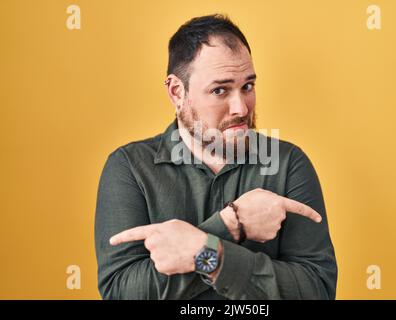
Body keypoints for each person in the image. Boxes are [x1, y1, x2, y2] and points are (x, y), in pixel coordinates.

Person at [95, 14, 337, 300]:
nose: (241, 108)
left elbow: (316, 291)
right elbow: (122, 292)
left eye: (247, 86)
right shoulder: (129, 168)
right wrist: (234, 224)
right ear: (177, 92)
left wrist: (207, 252)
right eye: (220, 90)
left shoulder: (288, 164)